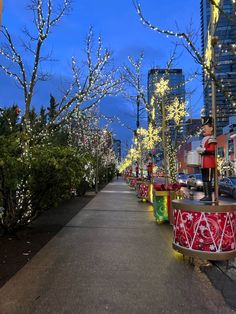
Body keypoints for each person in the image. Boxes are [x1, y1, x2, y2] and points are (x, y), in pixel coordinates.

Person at [196, 117, 217, 202]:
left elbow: (212, 149)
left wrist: (203, 150)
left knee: (208, 179)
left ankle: (209, 196)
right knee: (204, 179)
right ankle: (206, 195)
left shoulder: (211, 138)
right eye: (203, 128)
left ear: (211, 128)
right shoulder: (205, 139)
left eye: (205, 128)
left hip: (209, 162)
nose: (203, 129)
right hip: (204, 162)